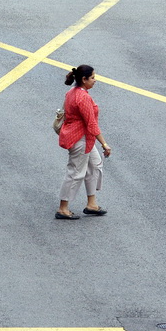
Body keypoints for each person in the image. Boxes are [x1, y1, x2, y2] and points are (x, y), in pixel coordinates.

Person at [55, 65, 112, 220]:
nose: (95, 80)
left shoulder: (71, 93)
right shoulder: (83, 98)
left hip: (83, 138)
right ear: (84, 79)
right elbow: (92, 124)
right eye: (92, 77)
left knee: (95, 164)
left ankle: (91, 204)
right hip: (80, 139)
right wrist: (104, 144)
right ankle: (63, 208)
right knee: (75, 173)